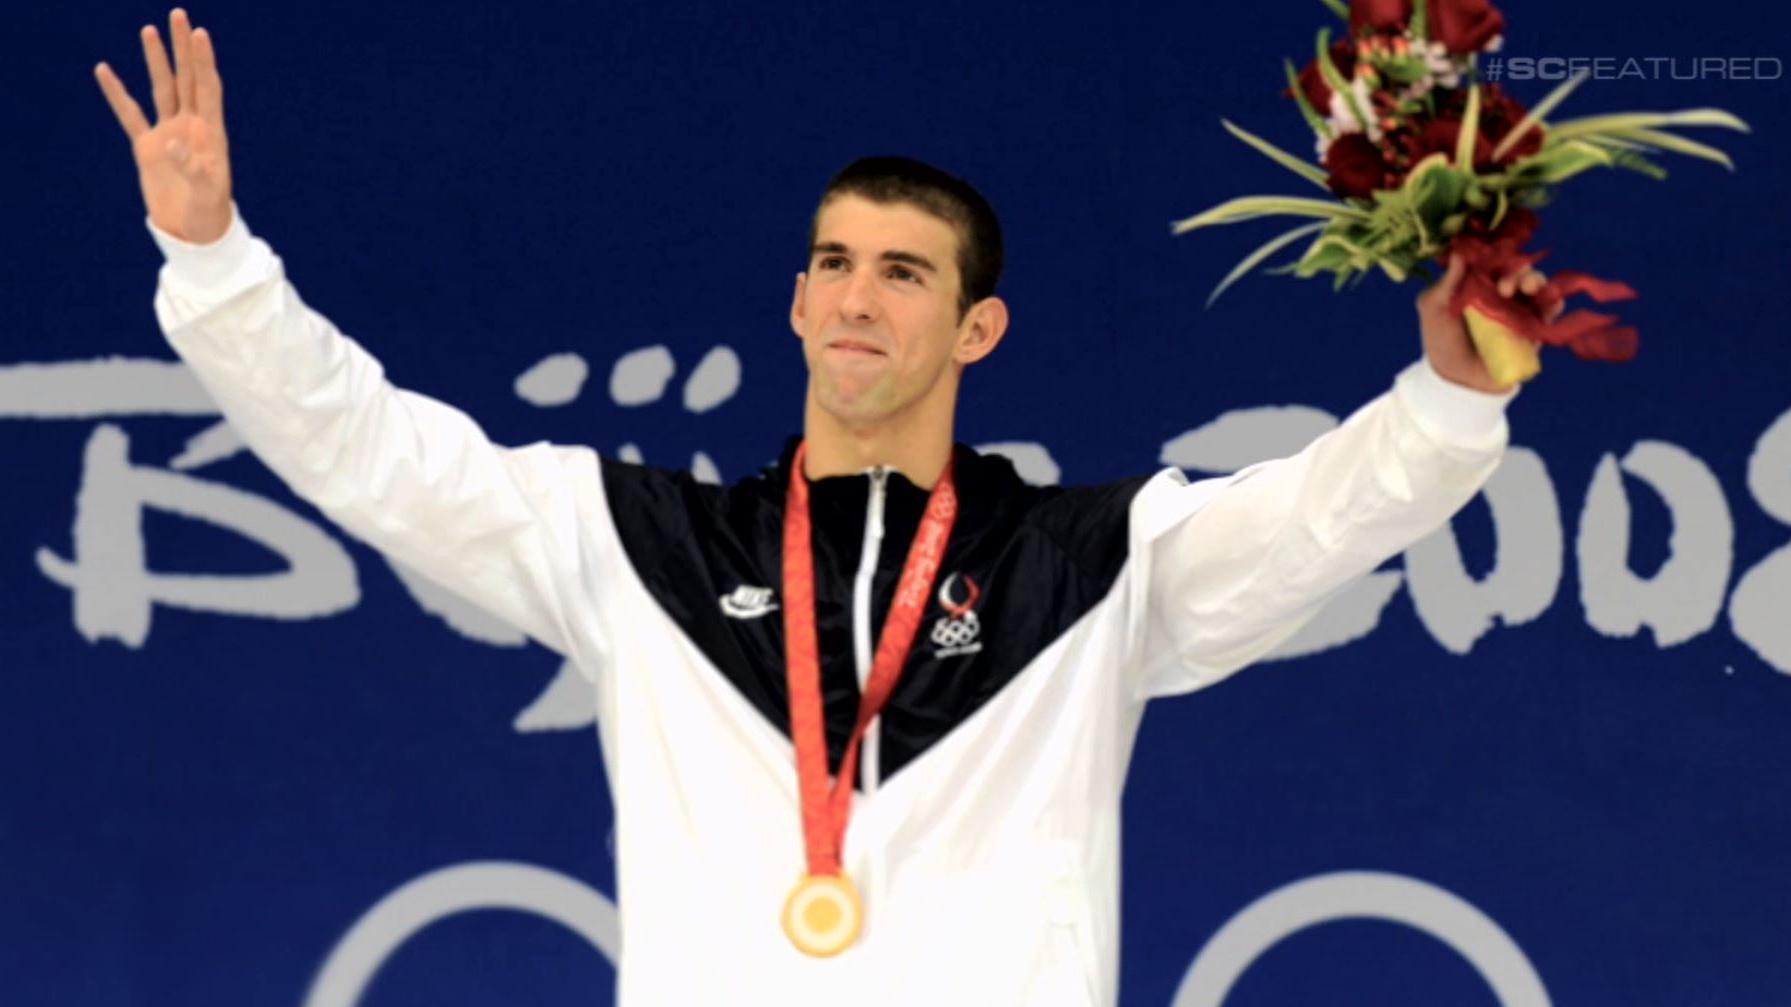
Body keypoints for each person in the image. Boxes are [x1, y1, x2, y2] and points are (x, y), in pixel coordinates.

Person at [95, 9, 1559, 1005]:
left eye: (904, 273)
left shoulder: (1091, 566)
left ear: (978, 330)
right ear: (796, 299)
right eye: (834, 264)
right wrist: (214, 258)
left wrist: (1452, 397)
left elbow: (1323, 513)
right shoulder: (640, 546)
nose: (857, 297)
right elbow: (373, 453)